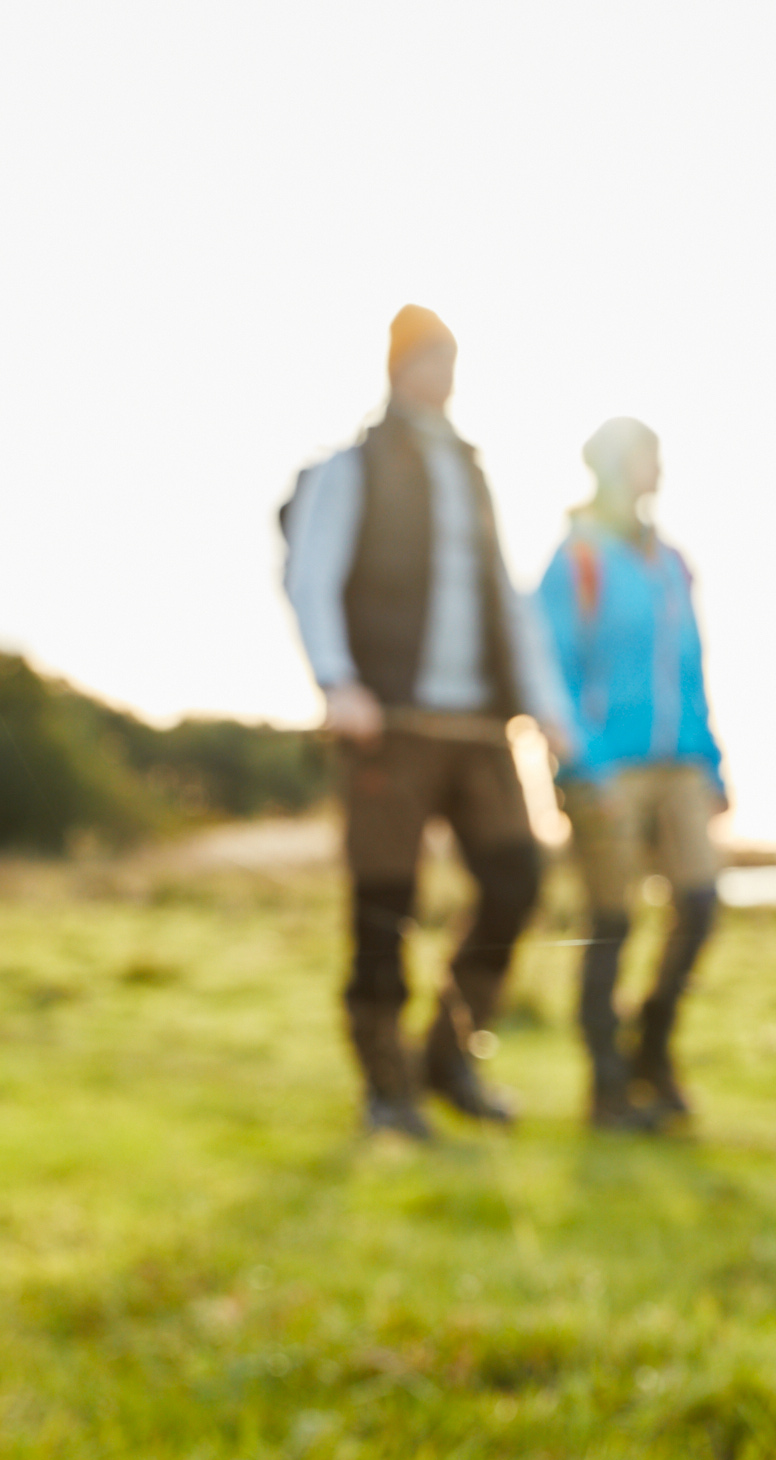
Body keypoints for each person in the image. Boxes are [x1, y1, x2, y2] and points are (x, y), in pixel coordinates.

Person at [284, 306, 583, 1138]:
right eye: (427, 356)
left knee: (517, 879)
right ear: (395, 366)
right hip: (391, 721)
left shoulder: (474, 469)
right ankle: (386, 1088)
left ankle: (450, 1057)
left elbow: (508, 596)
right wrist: (337, 681)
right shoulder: (356, 467)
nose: (440, 371)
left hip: (482, 727)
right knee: (385, 901)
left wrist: (549, 710)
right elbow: (311, 575)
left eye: (450, 356)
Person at [536, 418, 725, 1131]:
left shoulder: (670, 562)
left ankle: (653, 1046)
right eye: (648, 456)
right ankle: (607, 1087)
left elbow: (692, 668)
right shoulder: (575, 560)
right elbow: (549, 669)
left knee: (700, 904)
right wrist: (583, 762)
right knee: (610, 923)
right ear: (614, 466)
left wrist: (711, 762)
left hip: (679, 762)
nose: (659, 468)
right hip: (604, 768)